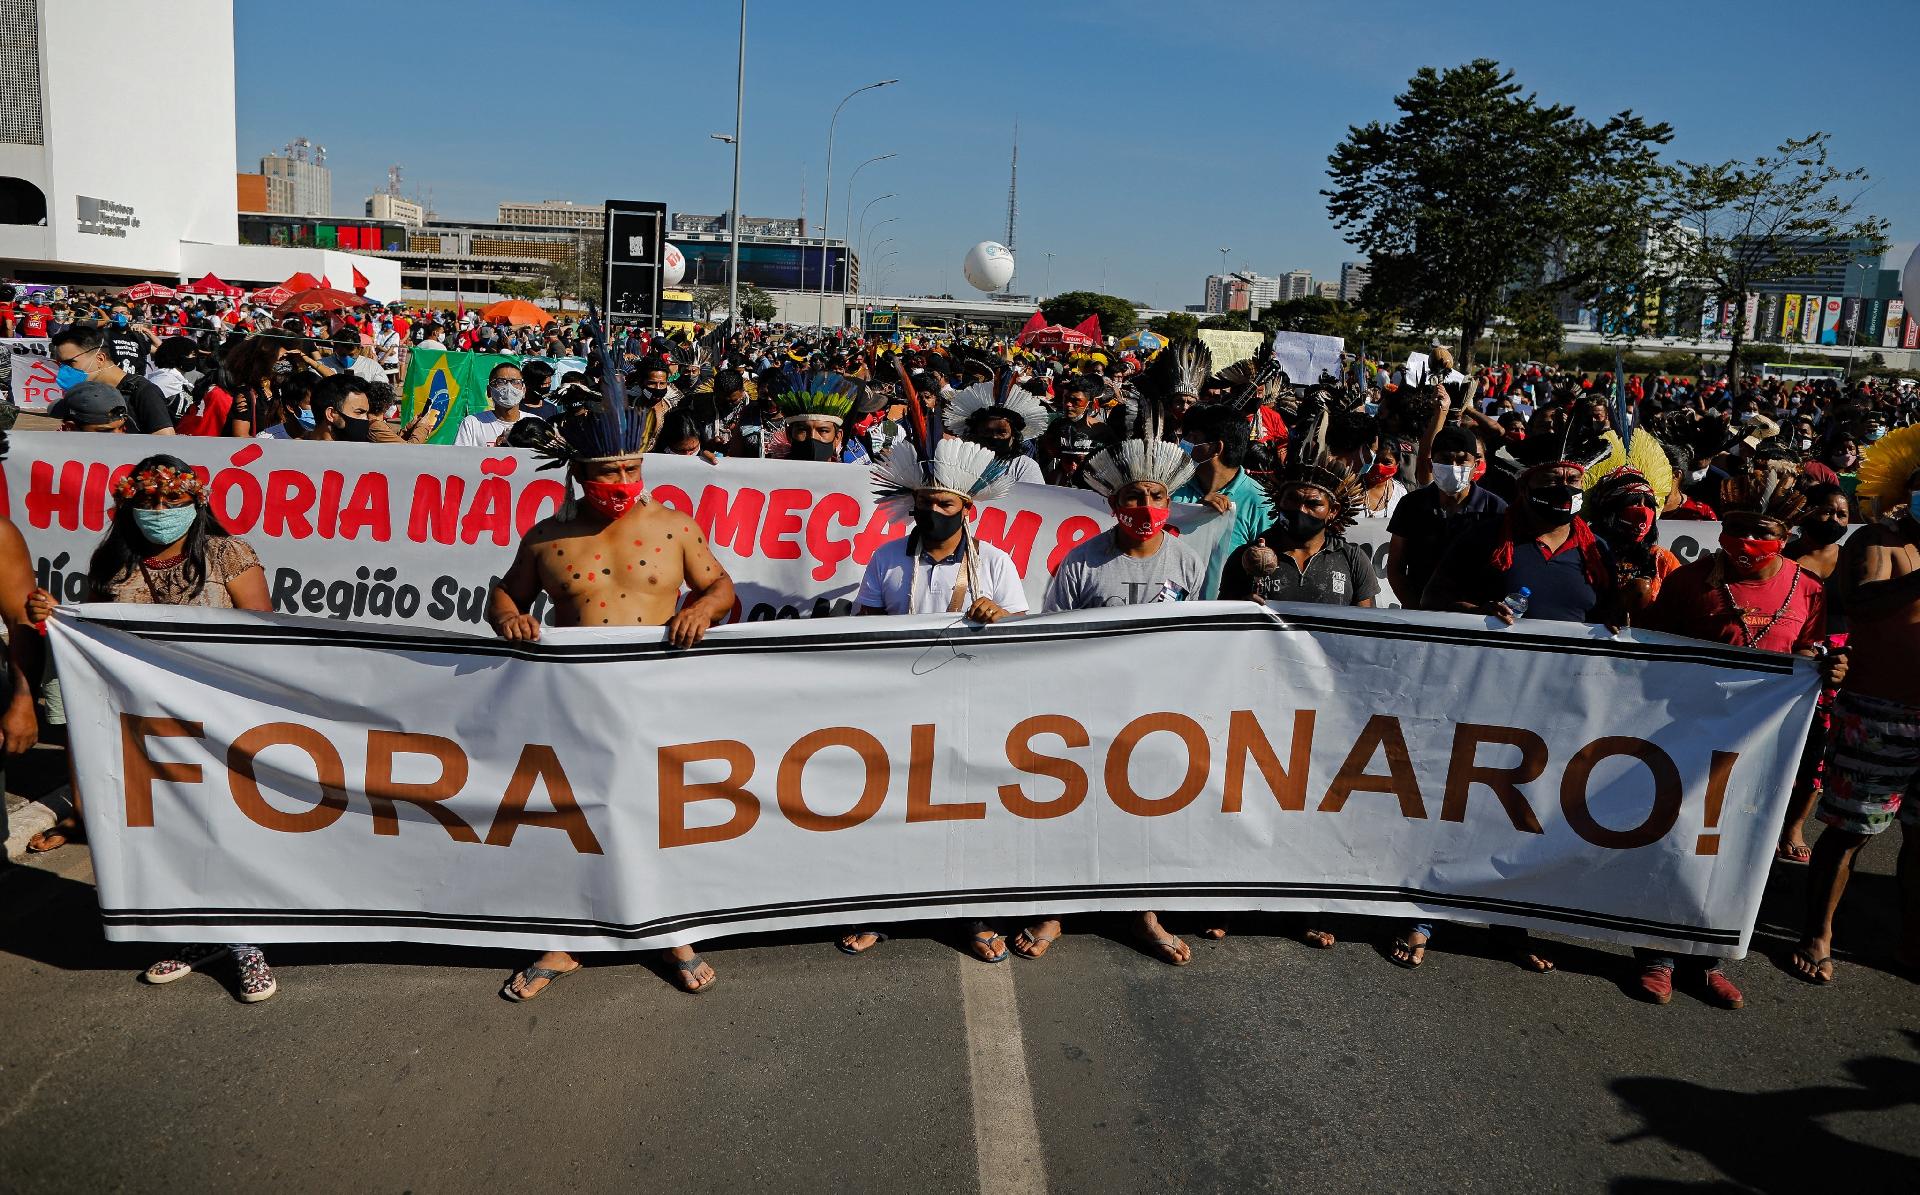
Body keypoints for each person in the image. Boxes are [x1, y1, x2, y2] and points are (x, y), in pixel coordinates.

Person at [486, 378, 737, 1001]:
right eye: (607, 471)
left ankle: (671, 930)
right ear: (577, 472)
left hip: (658, 693)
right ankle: (568, 936)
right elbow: (505, 595)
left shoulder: (676, 526)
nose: (623, 479)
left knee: (658, 810)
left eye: (631, 466)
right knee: (577, 814)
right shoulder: (546, 536)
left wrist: (702, 612)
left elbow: (721, 588)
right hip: (576, 696)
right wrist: (511, 618)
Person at [26, 455, 278, 1001]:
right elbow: (94, 636)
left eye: (171, 500)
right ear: (128, 504)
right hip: (142, 722)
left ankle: (245, 940)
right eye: (148, 501)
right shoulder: (113, 561)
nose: (160, 511)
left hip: (218, 719)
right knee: (170, 831)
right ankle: (194, 933)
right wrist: (59, 615)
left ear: (196, 501)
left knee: (225, 826)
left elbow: (260, 634)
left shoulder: (228, 554)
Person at [1639, 467, 1841, 1009]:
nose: (1749, 543)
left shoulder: (1810, 591)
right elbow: (1653, 653)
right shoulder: (1688, 581)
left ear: (1786, 536)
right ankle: (1658, 955)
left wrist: (1826, 667)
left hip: (1762, 749)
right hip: (1685, 737)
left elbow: (1818, 655)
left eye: (1763, 532)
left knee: (1734, 851)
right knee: (1677, 841)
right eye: (1738, 530)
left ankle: (1706, 959)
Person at [838, 437, 1027, 963]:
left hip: (971, 705)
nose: (933, 513)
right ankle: (884, 908)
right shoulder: (886, 558)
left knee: (966, 808)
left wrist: (1000, 618)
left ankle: (972, 913)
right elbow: (866, 629)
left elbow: (1023, 635)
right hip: (899, 706)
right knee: (892, 806)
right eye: (925, 504)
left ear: (968, 507)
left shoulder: (995, 563)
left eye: (945, 505)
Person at [1019, 435, 1205, 966]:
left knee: (1143, 811)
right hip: (1085, 710)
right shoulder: (1081, 563)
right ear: (1111, 504)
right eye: (1131, 498)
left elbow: (1197, 644)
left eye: (1153, 496)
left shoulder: (1188, 563)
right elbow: (1052, 640)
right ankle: (1056, 907)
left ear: (1168, 503)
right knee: (1071, 808)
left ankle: (1142, 912)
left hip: (1156, 713)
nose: (1143, 508)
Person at [1217, 403, 1375, 949]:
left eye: (1314, 502)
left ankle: (1313, 903)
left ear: (1333, 512)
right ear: (1276, 500)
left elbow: (1369, 632)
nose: (1301, 508)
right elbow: (1219, 626)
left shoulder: (1352, 560)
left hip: (1326, 704)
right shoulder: (1249, 554)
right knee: (1248, 799)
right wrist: (1245, 593)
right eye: (1292, 498)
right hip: (1258, 698)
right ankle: (1233, 900)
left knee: (1316, 806)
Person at [1792, 429, 1920, 987]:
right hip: (1879, 709)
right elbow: (1863, 605)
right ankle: (1817, 932)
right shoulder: (1877, 539)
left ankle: (1913, 937)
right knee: (1852, 830)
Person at [1386, 426, 1505, 609]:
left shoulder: (1496, 510)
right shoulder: (1411, 505)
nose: (1454, 467)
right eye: (1445, 460)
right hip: (1421, 616)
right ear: (1431, 464)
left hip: (1478, 620)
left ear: (1476, 464)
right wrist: (1417, 611)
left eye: (1462, 460)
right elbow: (1396, 568)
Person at [1173, 402, 1274, 599]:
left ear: (1216, 449)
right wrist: (1194, 513)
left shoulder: (1259, 501)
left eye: (1192, 438)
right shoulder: (1171, 487)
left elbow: (1267, 565)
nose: (1183, 444)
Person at [50, 326, 174, 434]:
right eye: (60, 364)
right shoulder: (82, 394)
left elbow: (165, 445)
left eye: (69, 363)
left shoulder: (143, 392)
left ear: (100, 359)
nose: (63, 371)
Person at [943, 381, 1047, 484]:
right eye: (986, 431)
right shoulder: (959, 462)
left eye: (1002, 432)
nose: (994, 437)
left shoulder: (1024, 466)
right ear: (975, 433)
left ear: (1014, 436)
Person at [454, 361, 528, 447]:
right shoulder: (472, 423)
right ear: (489, 391)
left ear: (524, 390)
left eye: (515, 382)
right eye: (500, 382)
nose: (509, 387)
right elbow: (460, 457)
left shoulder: (534, 423)